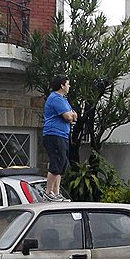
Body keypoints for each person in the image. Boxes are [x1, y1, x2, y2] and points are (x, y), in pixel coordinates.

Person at [42, 74, 77, 202]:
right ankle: (48, 192)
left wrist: (72, 115)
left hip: (62, 135)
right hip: (53, 134)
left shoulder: (64, 99)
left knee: (62, 163)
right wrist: (71, 115)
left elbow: (74, 115)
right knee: (56, 162)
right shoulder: (55, 98)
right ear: (62, 85)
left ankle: (56, 193)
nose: (69, 86)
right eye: (67, 84)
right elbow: (68, 116)